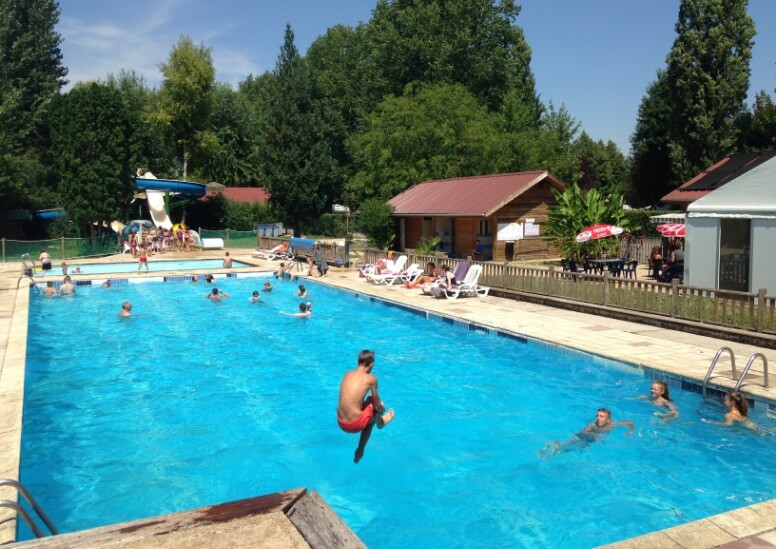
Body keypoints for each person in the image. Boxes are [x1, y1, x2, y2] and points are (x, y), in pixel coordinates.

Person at [337, 350, 395, 463]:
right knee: (375, 406)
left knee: (367, 401)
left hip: (340, 422)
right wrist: (382, 410)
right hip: (353, 425)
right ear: (372, 364)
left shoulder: (347, 373)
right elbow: (377, 404)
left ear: (357, 361)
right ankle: (379, 423)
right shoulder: (371, 379)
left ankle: (375, 420)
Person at [538, 408, 634, 459]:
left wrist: (630, 431)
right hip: (581, 437)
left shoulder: (613, 424)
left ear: (608, 419)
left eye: (601, 416)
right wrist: (593, 435)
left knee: (570, 450)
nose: (598, 418)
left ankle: (555, 446)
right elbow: (583, 432)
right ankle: (554, 445)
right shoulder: (592, 425)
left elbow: (630, 422)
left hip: (589, 441)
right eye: (597, 416)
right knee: (566, 446)